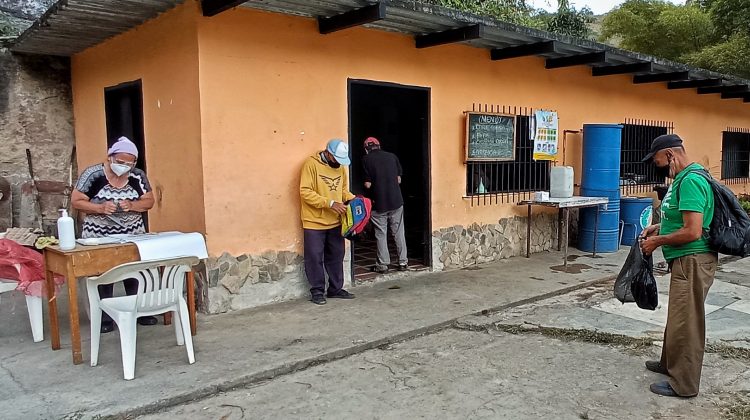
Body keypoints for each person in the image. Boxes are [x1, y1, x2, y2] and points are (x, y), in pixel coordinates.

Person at [639, 133, 717, 398]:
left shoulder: (692, 181)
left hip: (694, 259)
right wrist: (659, 227)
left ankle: (684, 384)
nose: (657, 166)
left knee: (688, 321)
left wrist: (658, 241)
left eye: (658, 160)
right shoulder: (682, 179)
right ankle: (669, 363)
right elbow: (682, 219)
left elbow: (693, 231)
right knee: (677, 315)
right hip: (684, 260)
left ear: (670, 155)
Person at [71, 136, 156, 333]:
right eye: (120, 162)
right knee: (103, 273)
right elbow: (77, 201)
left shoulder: (137, 176)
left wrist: (132, 205)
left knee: (135, 272)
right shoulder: (93, 175)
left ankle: (139, 310)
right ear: (110, 157)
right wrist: (99, 208)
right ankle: (105, 317)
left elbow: (149, 201)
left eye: (129, 163)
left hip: (132, 234)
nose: (124, 166)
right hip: (99, 235)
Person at [299, 139, 357, 305]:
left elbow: (343, 191)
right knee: (314, 257)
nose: (339, 163)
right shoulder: (311, 164)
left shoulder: (341, 167)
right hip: (314, 222)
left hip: (336, 221)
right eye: (336, 159)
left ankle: (335, 289)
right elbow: (305, 192)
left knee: (337, 255)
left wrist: (355, 200)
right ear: (328, 153)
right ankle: (317, 291)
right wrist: (330, 203)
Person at [361, 137, 408, 274]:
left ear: (366, 149)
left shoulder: (366, 160)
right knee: (399, 231)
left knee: (381, 233)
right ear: (379, 146)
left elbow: (367, 184)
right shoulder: (392, 157)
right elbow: (398, 180)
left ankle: (383, 265)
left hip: (378, 203)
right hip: (396, 201)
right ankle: (403, 262)